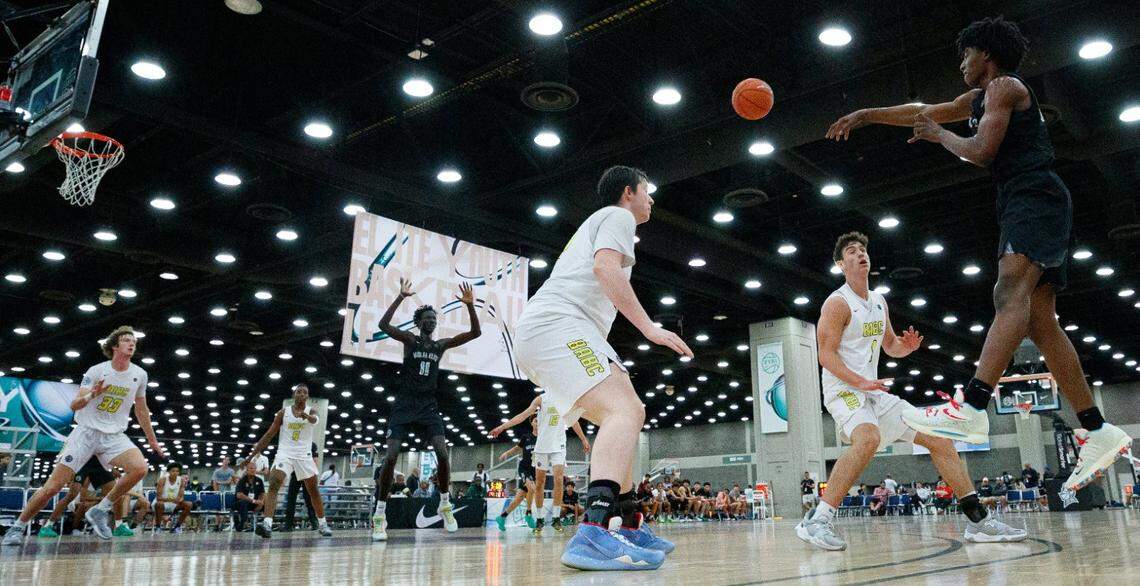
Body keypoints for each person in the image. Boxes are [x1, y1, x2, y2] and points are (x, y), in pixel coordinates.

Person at [827, 16, 1132, 492]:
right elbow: (923, 108)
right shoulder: (977, 98)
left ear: (985, 55)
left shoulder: (1006, 87)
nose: (961, 64)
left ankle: (971, 406)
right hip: (1023, 198)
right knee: (1039, 319)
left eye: (965, 55)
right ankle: (1096, 428)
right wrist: (867, 115)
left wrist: (938, 136)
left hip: (1033, 195)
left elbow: (982, 149)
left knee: (1008, 293)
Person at [795, 233, 1025, 552]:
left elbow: (890, 345)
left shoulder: (878, 301)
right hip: (843, 390)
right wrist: (860, 382)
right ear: (840, 264)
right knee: (868, 439)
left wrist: (906, 347)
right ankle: (818, 519)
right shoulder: (837, 303)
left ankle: (979, 522)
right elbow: (826, 354)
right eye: (852, 251)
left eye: (864, 250)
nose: (861, 254)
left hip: (874, 393)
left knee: (939, 438)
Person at [513, 166, 688, 570]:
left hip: (557, 330)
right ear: (628, 193)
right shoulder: (618, 215)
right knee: (626, 410)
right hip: (557, 325)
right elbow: (605, 269)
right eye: (648, 191)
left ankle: (626, 524)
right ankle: (593, 531)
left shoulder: (609, 222)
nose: (652, 199)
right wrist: (649, 328)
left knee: (624, 414)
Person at [3, 326, 163, 546]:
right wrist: (92, 394)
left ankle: (100, 510)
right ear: (115, 346)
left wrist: (152, 440)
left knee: (140, 468)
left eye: (133, 340)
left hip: (113, 435)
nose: (131, 343)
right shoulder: (97, 370)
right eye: (126, 340)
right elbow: (74, 404)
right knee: (53, 487)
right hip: (85, 432)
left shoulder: (139, 374)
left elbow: (141, 410)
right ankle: (17, 527)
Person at [371, 279, 481, 541]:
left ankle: (445, 503)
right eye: (427, 318)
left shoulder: (439, 345)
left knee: (443, 454)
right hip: (405, 404)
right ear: (419, 322)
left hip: (428, 406)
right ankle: (380, 513)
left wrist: (470, 306)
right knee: (391, 457)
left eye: (434, 318)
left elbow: (475, 333)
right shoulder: (410, 340)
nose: (432, 321)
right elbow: (383, 325)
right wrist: (400, 297)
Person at [490, 393, 591, 534]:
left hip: (559, 444)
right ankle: (538, 518)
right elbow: (523, 415)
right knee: (539, 483)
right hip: (542, 447)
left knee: (558, 479)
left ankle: (556, 517)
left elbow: (573, 421)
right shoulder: (541, 399)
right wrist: (503, 427)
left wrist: (583, 439)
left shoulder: (566, 399)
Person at [247, 383, 333, 538]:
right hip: (285, 453)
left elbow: (315, 420)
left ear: (307, 396)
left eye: (304, 392)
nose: (301, 394)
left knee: (313, 490)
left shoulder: (311, 411)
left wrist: (306, 417)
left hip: (303, 455)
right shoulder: (283, 412)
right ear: (294, 395)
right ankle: (267, 524)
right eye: (298, 391)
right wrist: (253, 453)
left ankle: (323, 523)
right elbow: (269, 434)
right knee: (274, 483)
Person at [37, 459, 120, 538]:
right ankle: (48, 526)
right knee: (71, 495)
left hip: (97, 463)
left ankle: (119, 526)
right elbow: (83, 497)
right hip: (82, 463)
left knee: (116, 493)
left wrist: (111, 467)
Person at [494, 415, 539, 531]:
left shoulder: (544, 438)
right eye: (536, 421)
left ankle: (502, 517)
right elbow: (517, 448)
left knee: (518, 499)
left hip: (536, 470)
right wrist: (507, 453)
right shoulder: (526, 437)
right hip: (524, 468)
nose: (538, 423)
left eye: (540, 421)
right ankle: (528, 514)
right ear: (532, 423)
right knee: (532, 489)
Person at [286, 442, 320, 531]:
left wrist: (313, 474)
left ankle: (314, 522)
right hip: (295, 473)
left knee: (309, 499)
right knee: (291, 498)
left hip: (307, 473)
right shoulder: (294, 444)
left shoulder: (312, 445)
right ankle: (288, 525)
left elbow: (315, 460)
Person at [154, 463, 192, 533]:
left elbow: (181, 496)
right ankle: (158, 527)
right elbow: (159, 497)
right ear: (169, 471)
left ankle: (177, 527)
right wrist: (173, 500)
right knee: (158, 504)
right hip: (162, 503)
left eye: (177, 471)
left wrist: (179, 500)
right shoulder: (163, 479)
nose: (175, 473)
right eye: (173, 471)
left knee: (189, 504)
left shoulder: (181, 480)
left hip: (174, 503)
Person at [234, 459, 265, 531]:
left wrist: (260, 502)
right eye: (251, 468)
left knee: (269, 504)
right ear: (247, 470)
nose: (253, 470)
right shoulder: (242, 480)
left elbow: (262, 493)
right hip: (241, 503)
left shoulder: (259, 480)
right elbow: (239, 495)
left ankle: (267, 524)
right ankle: (241, 524)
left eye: (254, 468)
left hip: (254, 503)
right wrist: (254, 501)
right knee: (243, 503)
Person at [211, 456, 236, 531]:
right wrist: (216, 492)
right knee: (217, 510)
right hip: (218, 493)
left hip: (227, 493)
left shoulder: (231, 471)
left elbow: (231, 481)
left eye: (228, 460)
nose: (226, 461)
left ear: (229, 462)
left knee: (226, 510)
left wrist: (220, 482)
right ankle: (216, 525)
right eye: (225, 459)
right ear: (223, 460)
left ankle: (221, 525)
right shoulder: (217, 471)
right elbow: (214, 482)